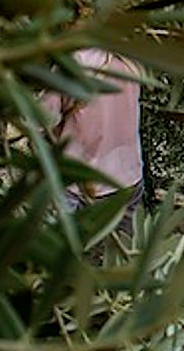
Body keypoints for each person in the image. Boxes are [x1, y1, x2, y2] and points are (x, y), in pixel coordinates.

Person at [44, 48, 144, 229]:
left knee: (57, 251)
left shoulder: (75, 61)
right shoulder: (133, 60)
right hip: (128, 177)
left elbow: (43, 118)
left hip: (77, 180)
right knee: (124, 252)